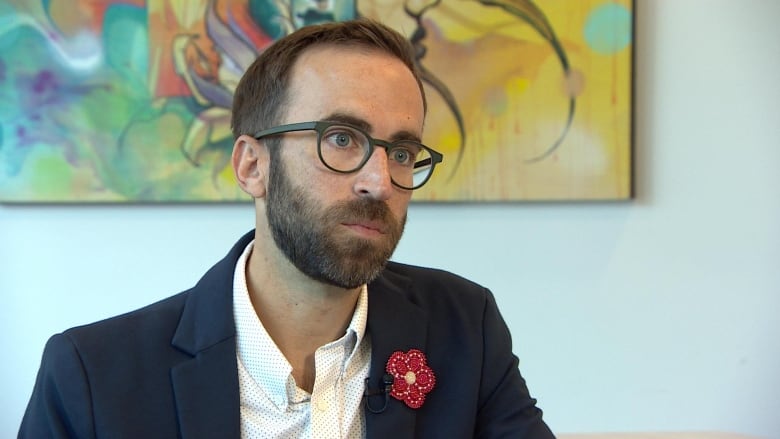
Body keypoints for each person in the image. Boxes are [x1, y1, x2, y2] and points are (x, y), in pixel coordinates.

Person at [19, 18, 554, 438]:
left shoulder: (464, 328)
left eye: (402, 150)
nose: (380, 182)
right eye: (342, 138)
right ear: (252, 166)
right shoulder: (93, 377)